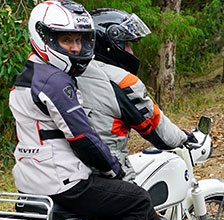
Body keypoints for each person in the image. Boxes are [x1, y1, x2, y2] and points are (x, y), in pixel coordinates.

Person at [9, 0, 223, 220]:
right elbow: (86, 137)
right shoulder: (62, 81)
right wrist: (112, 169)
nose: (76, 48)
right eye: (67, 40)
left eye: (79, 40)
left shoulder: (26, 76)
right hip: (70, 181)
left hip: (30, 181)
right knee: (141, 209)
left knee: (117, 211)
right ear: (45, 37)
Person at [76, 8, 195, 182]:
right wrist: (184, 137)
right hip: (109, 173)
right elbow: (157, 129)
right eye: (126, 45)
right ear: (107, 44)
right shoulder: (121, 81)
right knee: (143, 204)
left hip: (73, 172)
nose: (130, 52)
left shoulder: (71, 71)